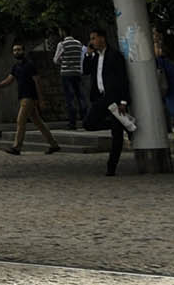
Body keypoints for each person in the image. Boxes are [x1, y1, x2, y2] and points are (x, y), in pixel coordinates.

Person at [0, 47, 59, 156]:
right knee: (38, 123)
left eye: (19, 50)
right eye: (15, 50)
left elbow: (37, 82)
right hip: (22, 97)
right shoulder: (16, 67)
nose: (17, 52)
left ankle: (17, 147)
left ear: (23, 51)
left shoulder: (30, 65)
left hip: (29, 97)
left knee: (20, 121)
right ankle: (54, 144)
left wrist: (41, 99)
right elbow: (9, 80)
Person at [83, 28, 131, 175]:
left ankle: (112, 167)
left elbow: (122, 78)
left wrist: (124, 101)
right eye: (91, 39)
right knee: (88, 123)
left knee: (116, 136)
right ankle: (123, 125)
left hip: (114, 97)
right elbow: (85, 70)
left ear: (102, 38)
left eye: (94, 38)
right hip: (101, 97)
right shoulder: (95, 57)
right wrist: (88, 54)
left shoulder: (114, 55)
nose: (92, 41)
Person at [54, 31, 88, 130]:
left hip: (66, 74)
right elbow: (82, 57)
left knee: (70, 98)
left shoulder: (62, 44)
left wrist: (63, 61)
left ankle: (72, 123)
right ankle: (85, 120)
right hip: (77, 72)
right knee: (81, 96)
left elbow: (56, 60)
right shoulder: (79, 43)